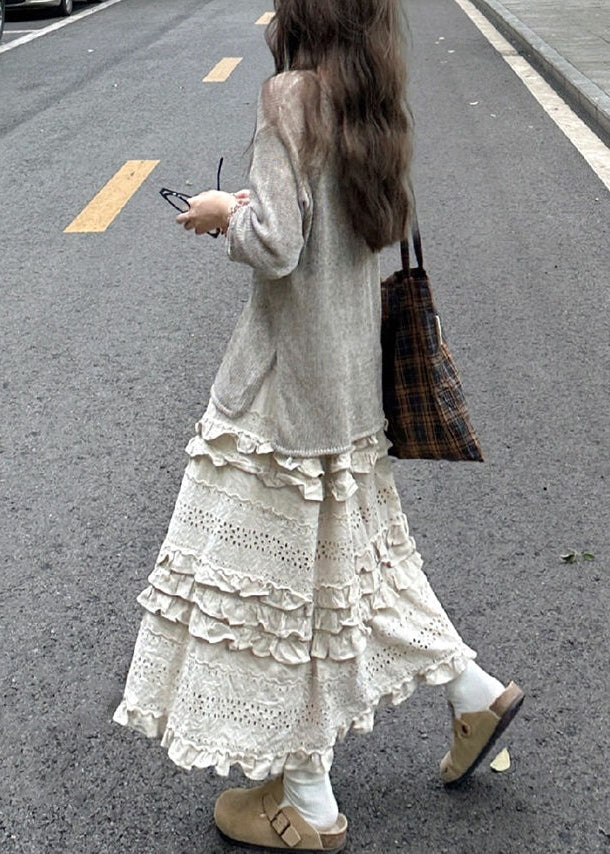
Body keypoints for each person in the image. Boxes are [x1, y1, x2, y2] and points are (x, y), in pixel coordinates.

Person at [113, 1, 524, 850]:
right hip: (346, 384)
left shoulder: (293, 95)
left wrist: (222, 212)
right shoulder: (374, 98)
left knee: (278, 599)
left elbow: (277, 246)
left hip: (281, 393)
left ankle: (309, 800)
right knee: (359, 569)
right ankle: (473, 692)